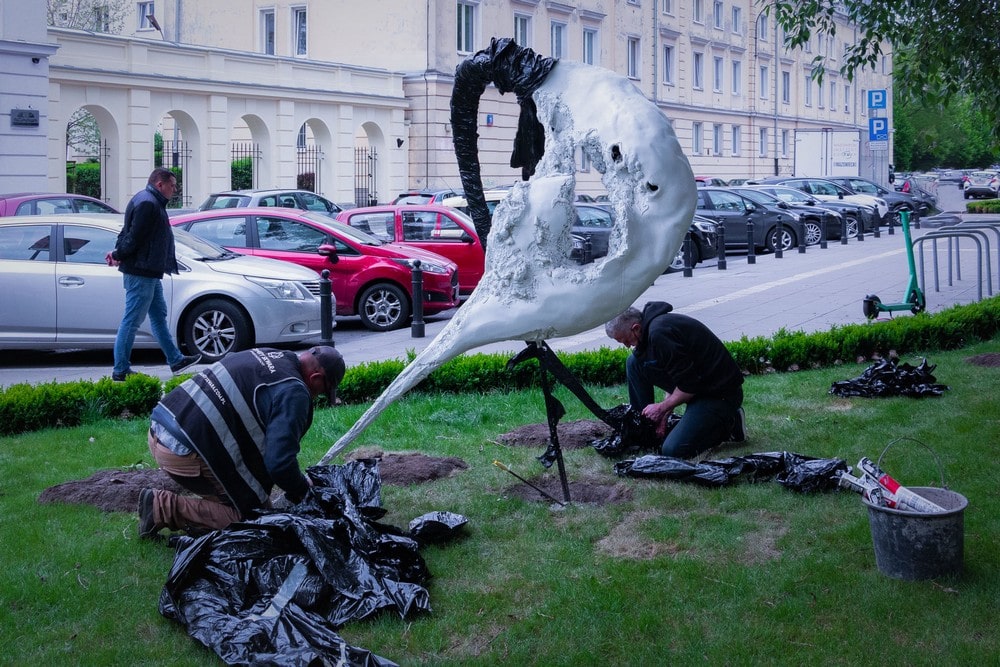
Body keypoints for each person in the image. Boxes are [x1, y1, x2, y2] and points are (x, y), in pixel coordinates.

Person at [137, 345, 346, 539]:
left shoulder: (274, 355)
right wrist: (302, 489)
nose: (319, 396)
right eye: (324, 390)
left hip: (161, 427)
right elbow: (279, 464)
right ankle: (160, 507)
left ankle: (214, 501)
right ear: (316, 377)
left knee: (256, 499)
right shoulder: (295, 392)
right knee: (256, 521)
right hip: (182, 451)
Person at [605, 302, 746, 459]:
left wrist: (661, 408)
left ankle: (730, 424)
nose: (626, 345)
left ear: (636, 328)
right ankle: (643, 429)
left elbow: (689, 386)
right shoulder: (651, 332)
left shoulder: (660, 333)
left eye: (625, 340)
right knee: (634, 362)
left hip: (718, 394)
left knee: (674, 450)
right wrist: (663, 417)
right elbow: (673, 375)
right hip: (696, 387)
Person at [105, 167, 200, 381]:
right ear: (160, 184)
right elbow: (133, 237)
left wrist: (117, 253)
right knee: (132, 320)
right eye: (172, 185)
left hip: (148, 270)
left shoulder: (145, 199)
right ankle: (120, 370)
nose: (174, 189)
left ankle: (176, 360)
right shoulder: (148, 203)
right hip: (142, 271)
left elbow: (127, 233)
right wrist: (119, 253)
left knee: (158, 315)